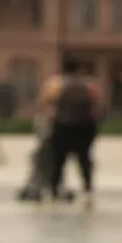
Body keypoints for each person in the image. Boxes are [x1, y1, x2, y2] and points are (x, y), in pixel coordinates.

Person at [45, 62, 101, 210]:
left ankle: (53, 191)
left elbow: (47, 103)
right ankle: (88, 190)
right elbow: (97, 105)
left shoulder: (57, 84)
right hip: (84, 126)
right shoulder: (89, 85)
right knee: (84, 159)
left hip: (62, 126)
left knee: (58, 160)